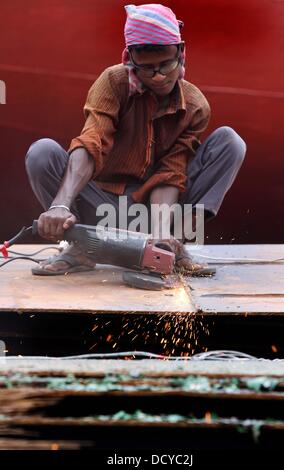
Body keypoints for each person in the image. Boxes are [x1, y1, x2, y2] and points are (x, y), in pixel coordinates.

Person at [25, 3, 246, 276]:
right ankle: (81, 248)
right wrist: (60, 204)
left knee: (230, 142)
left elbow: (171, 172)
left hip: (157, 215)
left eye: (166, 64)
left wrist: (161, 232)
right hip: (103, 210)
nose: (159, 75)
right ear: (130, 60)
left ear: (181, 52)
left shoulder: (195, 105)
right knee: (42, 152)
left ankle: (171, 248)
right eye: (147, 68)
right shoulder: (113, 83)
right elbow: (92, 141)